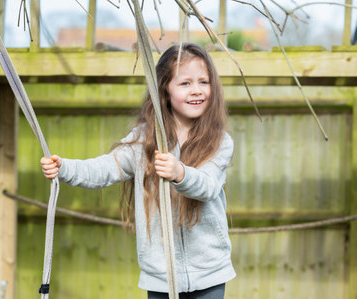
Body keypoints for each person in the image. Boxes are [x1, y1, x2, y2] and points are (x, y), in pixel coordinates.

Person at [40, 42, 235, 299]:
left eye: (203, 82)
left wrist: (180, 172)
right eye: (185, 83)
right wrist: (64, 168)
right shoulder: (145, 140)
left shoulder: (219, 141)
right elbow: (106, 168)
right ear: (164, 90)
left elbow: (208, 186)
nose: (196, 90)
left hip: (209, 273)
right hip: (160, 275)